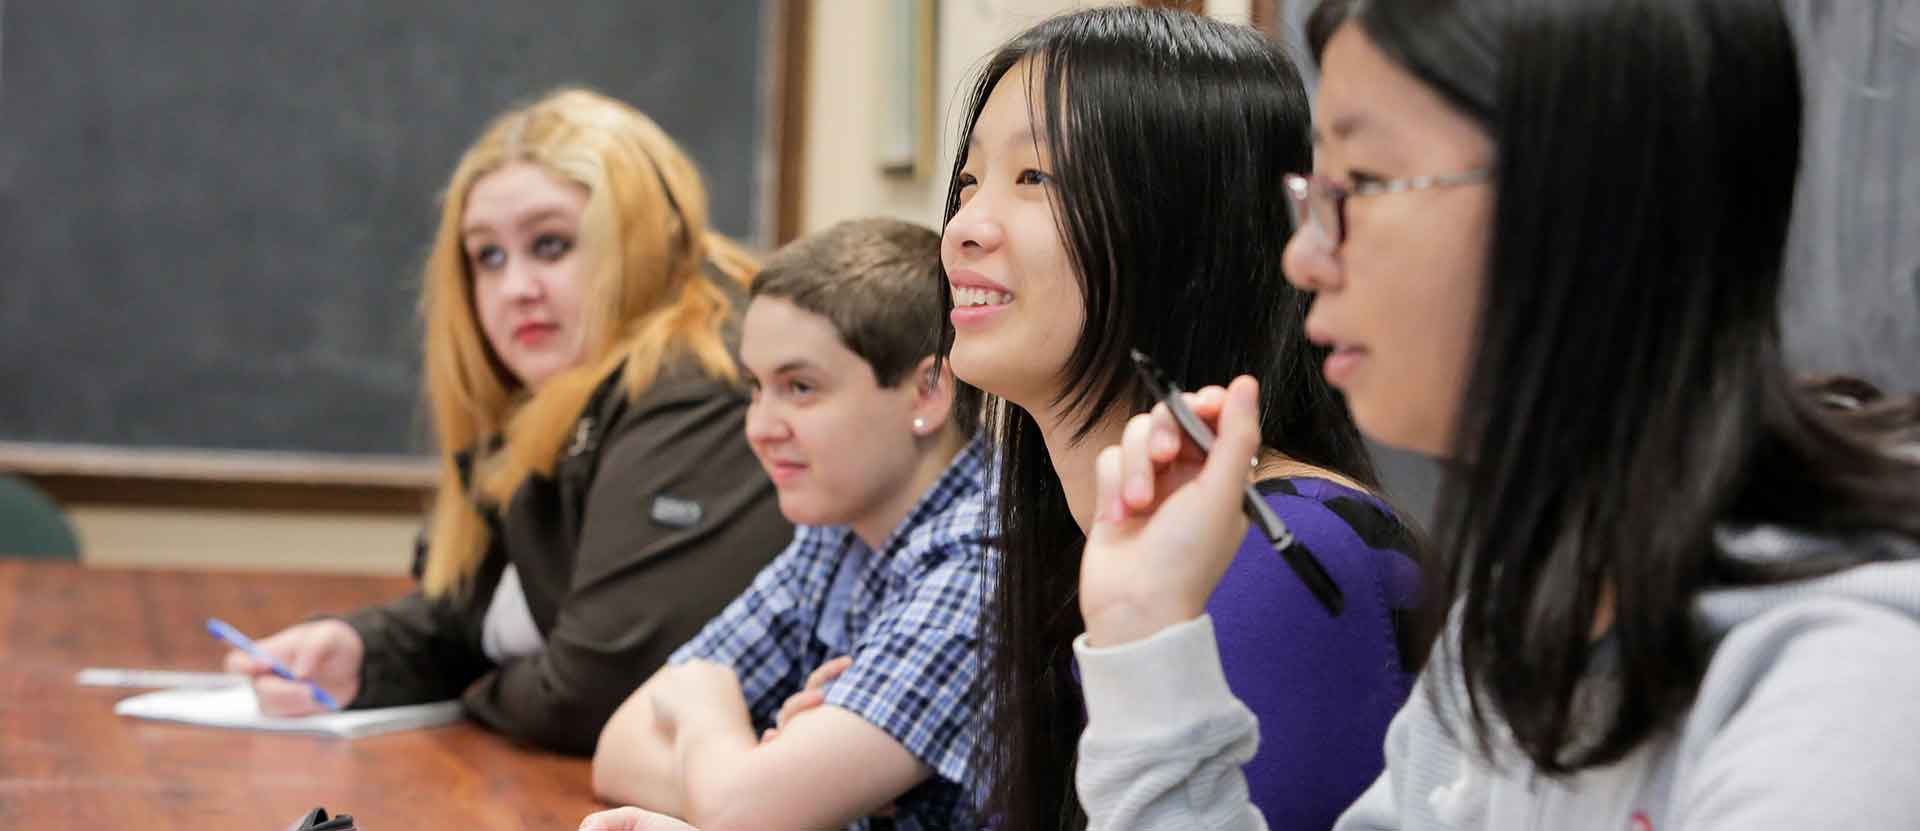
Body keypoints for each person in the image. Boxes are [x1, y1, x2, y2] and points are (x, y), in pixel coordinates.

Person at [1071, 0, 1920, 828]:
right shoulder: (1516, 624)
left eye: (1362, 183)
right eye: (1315, 189)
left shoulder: (1843, 689)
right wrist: (1145, 632)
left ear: (1591, 203)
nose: (1304, 255)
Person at [939, 7, 1420, 830]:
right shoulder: (1081, 542)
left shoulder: (1286, 556)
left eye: (1036, 180)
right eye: (968, 182)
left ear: (1186, 230)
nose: (962, 230)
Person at [221, 87, 793, 755]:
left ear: (640, 241)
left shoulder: (703, 383)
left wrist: (474, 690)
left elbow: (596, 692)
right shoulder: (559, 385)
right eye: (487, 256)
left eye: (550, 245)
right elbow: (481, 611)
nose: (515, 287)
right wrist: (362, 651)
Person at [586, 218, 990, 831]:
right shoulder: (836, 533)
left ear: (928, 393)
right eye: (756, 388)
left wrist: (705, 709)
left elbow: (741, 812)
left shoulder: (981, 561)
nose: (760, 428)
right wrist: (769, 778)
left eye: (800, 388)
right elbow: (619, 750)